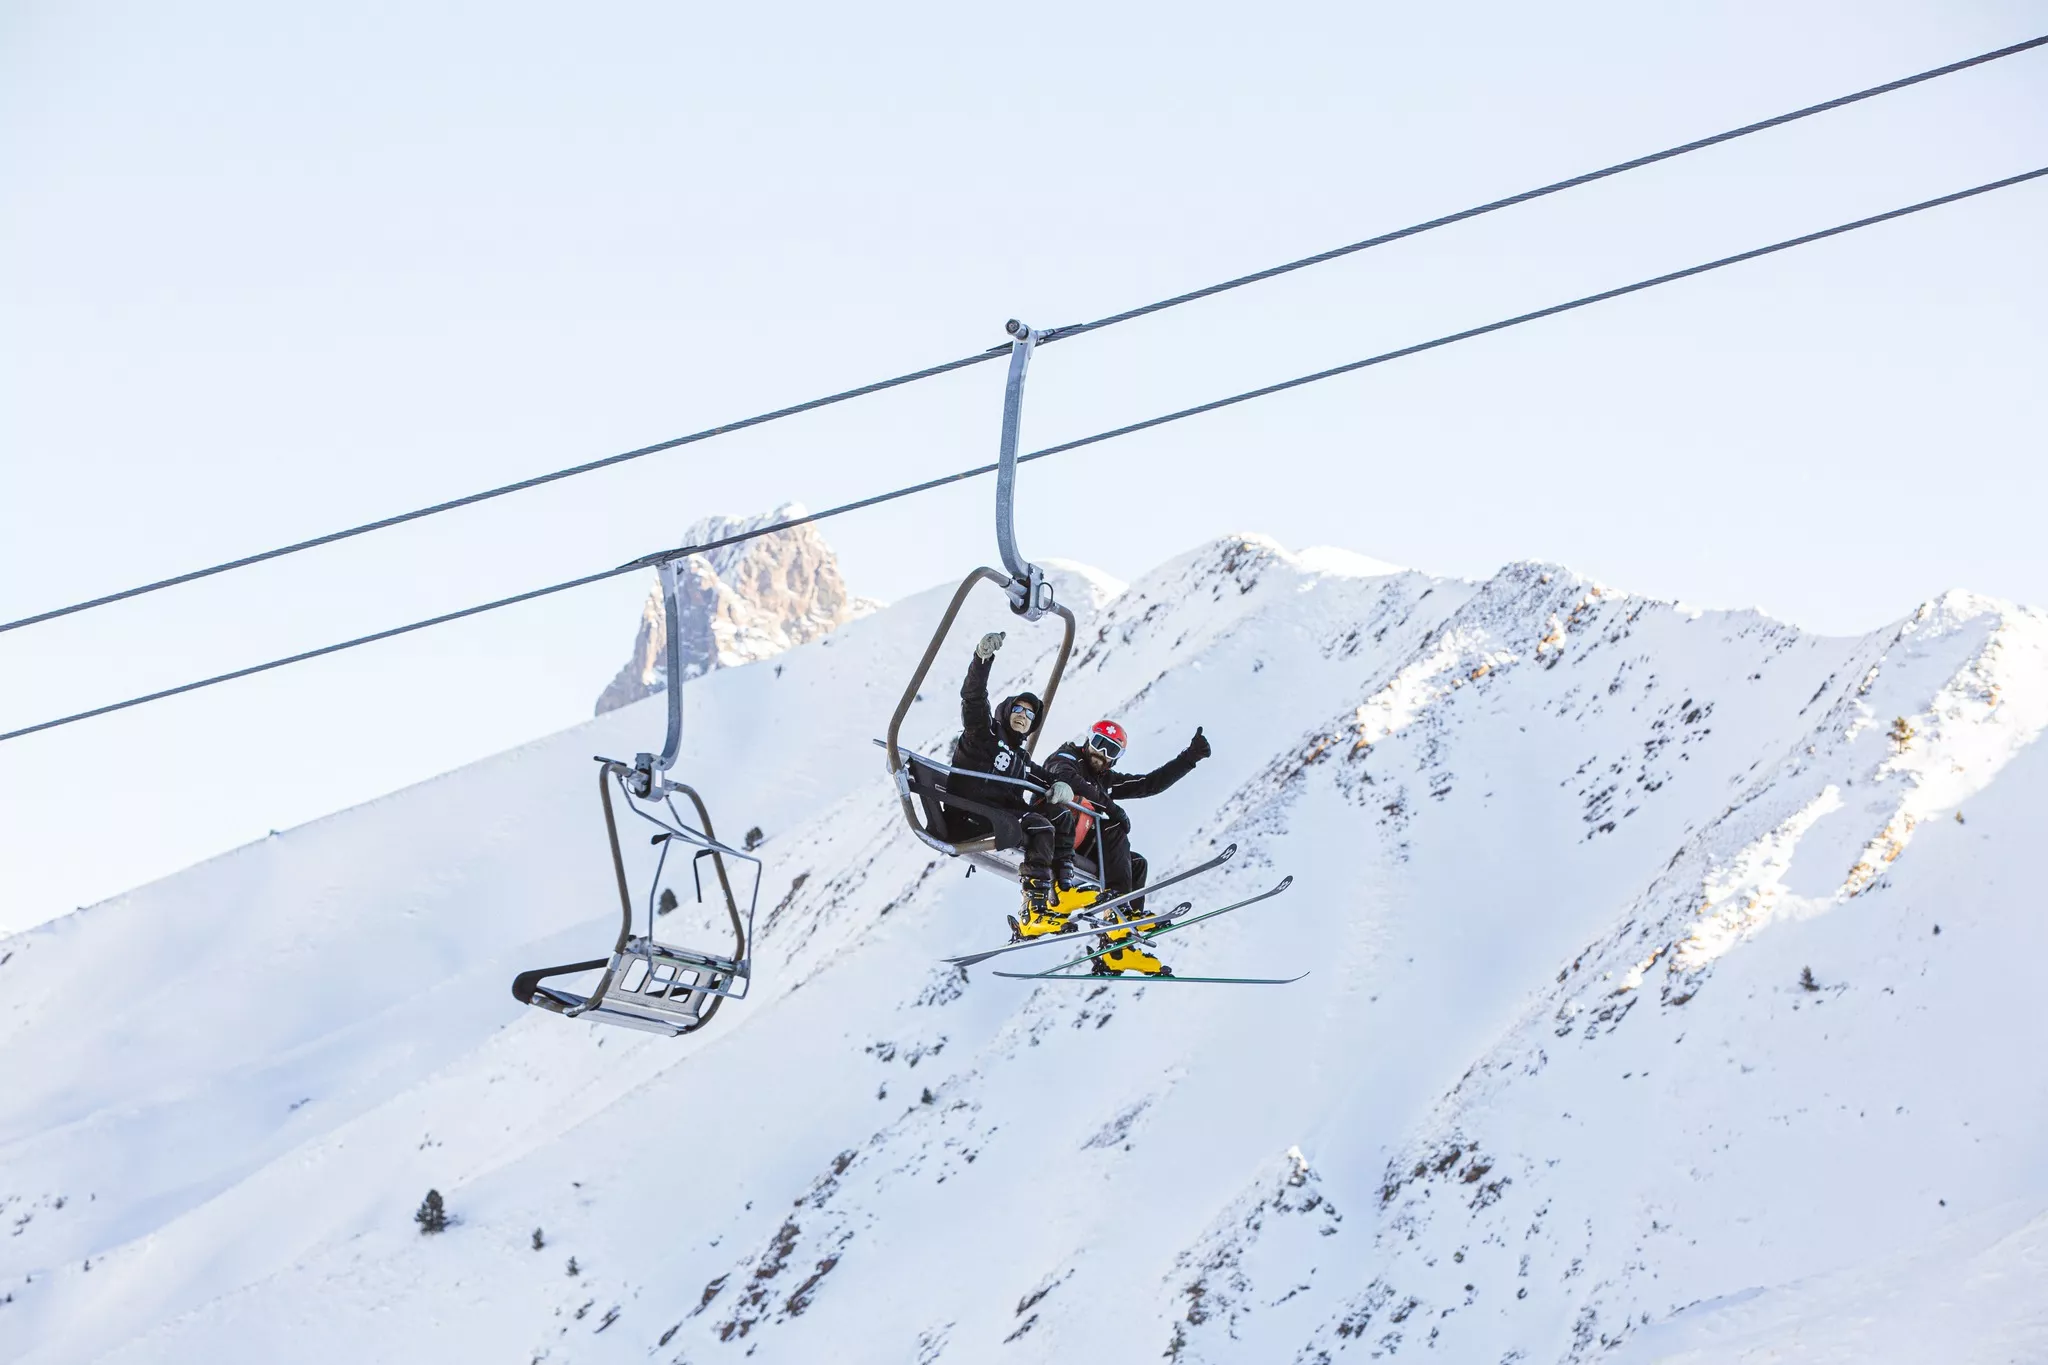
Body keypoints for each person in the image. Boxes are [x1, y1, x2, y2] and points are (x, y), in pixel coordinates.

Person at [1042, 720, 1211, 975]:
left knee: (1136, 864)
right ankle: (1118, 911)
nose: (1102, 753)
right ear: (1088, 741)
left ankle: (1119, 946)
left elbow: (1147, 784)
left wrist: (1189, 758)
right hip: (1054, 835)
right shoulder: (1067, 757)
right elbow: (1066, 777)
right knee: (1113, 829)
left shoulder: (1102, 778)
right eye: (1099, 743)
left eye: (1111, 749)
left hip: (1080, 841)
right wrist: (1112, 808)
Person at [947, 631, 1064, 934]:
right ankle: (1035, 901)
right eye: (1018, 709)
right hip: (972, 814)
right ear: (1006, 710)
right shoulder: (984, 734)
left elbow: (1044, 777)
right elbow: (973, 698)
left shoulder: (1021, 758)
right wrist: (982, 660)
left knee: (1057, 817)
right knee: (1039, 825)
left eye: (1029, 714)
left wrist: (1062, 785)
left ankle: (1058, 893)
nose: (1023, 716)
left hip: (996, 817)